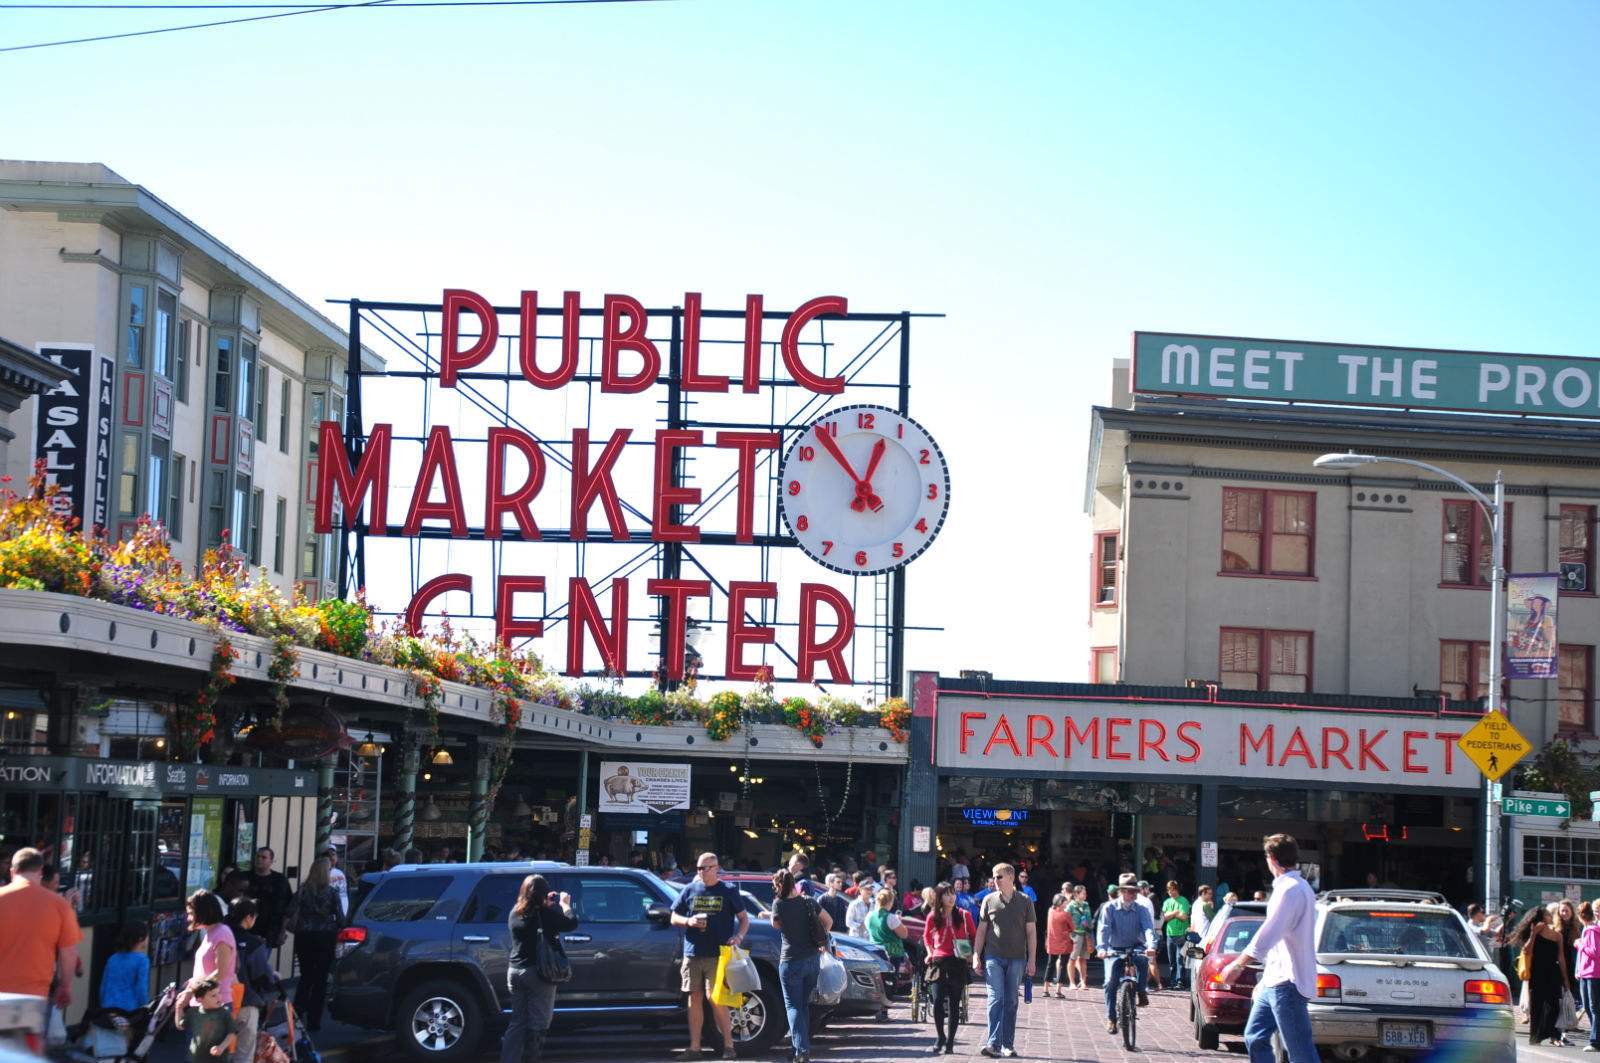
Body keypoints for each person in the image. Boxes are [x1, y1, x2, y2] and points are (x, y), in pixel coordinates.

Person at [1219, 834, 1318, 1063]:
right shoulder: (1297, 886)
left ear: (1271, 858)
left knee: (1300, 1052)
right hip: (1274, 979)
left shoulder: (1291, 889)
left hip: (1287, 981)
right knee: (1254, 1036)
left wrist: (1237, 963)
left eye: (1266, 855)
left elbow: (1268, 933)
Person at [669, 852, 748, 1060]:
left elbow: (744, 919)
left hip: (718, 954)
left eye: (704, 868)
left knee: (716, 998)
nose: (700, 872)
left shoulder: (729, 891)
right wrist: (689, 921)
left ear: (715, 868)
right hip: (693, 952)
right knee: (694, 998)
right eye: (698, 868)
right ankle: (695, 1048)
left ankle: (729, 1046)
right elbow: (673, 915)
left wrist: (739, 936)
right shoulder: (690, 889)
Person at [501, 874, 577, 1063]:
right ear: (542, 895)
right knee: (538, 1024)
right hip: (538, 973)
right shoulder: (546, 914)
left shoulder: (514, 913)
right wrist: (566, 905)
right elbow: (570, 923)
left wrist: (545, 903)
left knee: (517, 1022)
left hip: (515, 971)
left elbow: (535, 917)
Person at [0, 848, 82, 1006]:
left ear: (12, 872)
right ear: (40, 872)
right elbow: (69, 953)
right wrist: (65, 987)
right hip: (34, 995)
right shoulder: (60, 905)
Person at [971, 863, 1035, 1059]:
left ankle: (1007, 1044)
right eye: (993, 877)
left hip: (1017, 958)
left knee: (1011, 1001)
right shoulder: (988, 900)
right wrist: (976, 955)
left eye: (999, 877)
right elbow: (981, 931)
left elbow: (1031, 932)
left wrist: (1032, 960)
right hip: (993, 956)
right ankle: (993, 1043)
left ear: (1010, 877)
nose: (995, 881)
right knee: (995, 998)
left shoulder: (1025, 901)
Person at [770, 869, 830, 1063]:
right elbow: (828, 921)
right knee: (802, 1004)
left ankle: (802, 1050)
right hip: (812, 959)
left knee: (793, 1006)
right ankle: (798, 1049)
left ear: (779, 885)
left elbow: (775, 925)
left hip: (790, 960)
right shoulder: (808, 901)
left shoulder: (778, 904)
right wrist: (820, 937)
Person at [1096, 873, 1157, 1034]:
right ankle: (1111, 1019)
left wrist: (1151, 945)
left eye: (1135, 891)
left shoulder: (1141, 909)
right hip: (1114, 948)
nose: (1133, 894)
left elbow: (1148, 929)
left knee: (1143, 962)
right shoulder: (1109, 908)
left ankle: (1142, 990)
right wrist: (1102, 949)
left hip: (1136, 945)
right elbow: (1104, 929)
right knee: (1110, 982)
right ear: (1121, 891)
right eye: (1130, 891)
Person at [287, 856, 342, 1030]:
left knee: (306, 977)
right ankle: (314, 1020)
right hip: (325, 936)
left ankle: (296, 1014)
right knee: (320, 980)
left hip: (304, 935)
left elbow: (290, 911)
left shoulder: (303, 891)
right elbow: (341, 918)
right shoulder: (332, 893)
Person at [227, 899, 281, 1063]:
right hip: (246, 1001)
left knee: (222, 1052)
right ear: (248, 917)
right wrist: (273, 977)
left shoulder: (220, 937)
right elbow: (261, 976)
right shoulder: (254, 943)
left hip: (221, 1003)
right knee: (243, 1054)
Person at [922, 882, 973, 1055]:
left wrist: (972, 954)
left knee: (954, 1004)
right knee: (937, 1001)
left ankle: (950, 1041)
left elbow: (974, 935)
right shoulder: (933, 916)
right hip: (938, 962)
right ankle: (940, 1036)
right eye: (946, 894)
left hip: (957, 962)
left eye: (953, 893)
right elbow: (926, 936)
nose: (951, 897)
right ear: (939, 897)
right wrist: (929, 952)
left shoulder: (964, 915)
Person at [1518, 905, 1568, 1047]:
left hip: (1553, 972)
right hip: (1537, 972)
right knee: (1537, 1005)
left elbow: (1561, 958)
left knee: (1554, 1005)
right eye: (1547, 914)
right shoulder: (1534, 932)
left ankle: (1554, 1035)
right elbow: (1526, 951)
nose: (1550, 916)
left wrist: (1565, 979)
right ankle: (1536, 1037)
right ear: (1541, 918)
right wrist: (1533, 934)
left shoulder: (1558, 935)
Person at [187, 889, 237, 1023]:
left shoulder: (222, 934)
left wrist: (192, 990)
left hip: (216, 1006)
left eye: (191, 913)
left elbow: (220, 973)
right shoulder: (211, 933)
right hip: (204, 1003)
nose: (189, 918)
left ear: (203, 912)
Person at [98, 921, 152, 1039]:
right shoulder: (142, 960)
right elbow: (141, 987)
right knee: (131, 1042)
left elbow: (104, 986)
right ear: (141, 938)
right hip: (130, 1010)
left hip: (109, 1007)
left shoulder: (113, 958)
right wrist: (146, 1005)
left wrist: (103, 1004)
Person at [866, 886, 909, 1020]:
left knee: (878, 982)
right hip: (892, 953)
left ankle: (877, 1009)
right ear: (889, 902)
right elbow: (904, 934)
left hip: (875, 952)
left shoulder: (869, 915)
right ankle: (883, 1011)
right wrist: (900, 920)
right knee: (889, 982)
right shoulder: (891, 917)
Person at [174, 976, 237, 1063]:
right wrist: (179, 1008)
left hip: (218, 1060)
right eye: (213, 995)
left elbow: (232, 1033)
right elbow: (180, 1026)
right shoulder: (193, 1012)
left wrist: (221, 1047)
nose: (219, 997)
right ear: (200, 999)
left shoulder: (224, 1013)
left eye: (219, 993)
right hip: (195, 1059)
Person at [245, 847, 293, 948]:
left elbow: (288, 907)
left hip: (270, 931)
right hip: (247, 929)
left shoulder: (280, 880)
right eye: (257, 856)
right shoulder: (246, 877)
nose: (259, 859)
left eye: (264, 857)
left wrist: (282, 930)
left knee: (258, 961)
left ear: (271, 861)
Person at [1160, 880, 1192, 991]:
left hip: (1181, 934)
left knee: (1180, 959)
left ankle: (1180, 982)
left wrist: (1171, 914)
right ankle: (1172, 981)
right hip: (1170, 934)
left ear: (1177, 889)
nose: (1170, 892)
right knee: (1172, 961)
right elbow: (1165, 917)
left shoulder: (1184, 901)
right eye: (1168, 890)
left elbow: (1184, 917)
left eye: (1172, 889)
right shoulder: (1167, 902)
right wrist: (1175, 913)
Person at [1044, 893, 1075, 997]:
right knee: (1062, 966)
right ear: (1061, 903)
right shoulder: (1065, 915)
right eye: (1065, 901)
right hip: (1064, 943)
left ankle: (1046, 989)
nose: (1067, 903)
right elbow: (1073, 928)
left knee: (1050, 965)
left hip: (1052, 942)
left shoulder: (1050, 911)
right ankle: (1058, 991)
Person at [1067, 883, 1093, 991]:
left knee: (1083, 959)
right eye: (1083, 893)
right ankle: (1072, 983)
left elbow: (1089, 920)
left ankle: (1083, 982)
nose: (1085, 895)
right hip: (1075, 935)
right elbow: (1066, 920)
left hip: (1085, 934)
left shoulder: (1086, 905)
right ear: (1077, 894)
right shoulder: (1071, 906)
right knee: (1072, 959)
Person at [324, 845, 350, 919]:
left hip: (343, 909)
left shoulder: (341, 872)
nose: (331, 857)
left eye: (333, 854)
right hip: (330, 914)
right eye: (329, 855)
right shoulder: (323, 873)